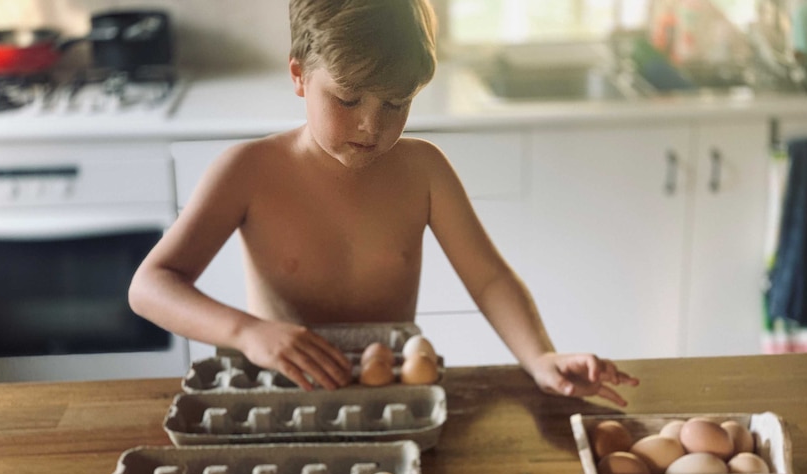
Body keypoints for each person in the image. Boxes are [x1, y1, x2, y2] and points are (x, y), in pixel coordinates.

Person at [128, 0, 639, 406]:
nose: (373, 126)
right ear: (299, 75)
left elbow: (489, 279)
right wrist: (248, 332)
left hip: (392, 397)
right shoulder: (247, 171)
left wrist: (540, 357)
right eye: (348, 100)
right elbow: (151, 286)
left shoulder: (423, 170)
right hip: (287, 398)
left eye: (396, 104)